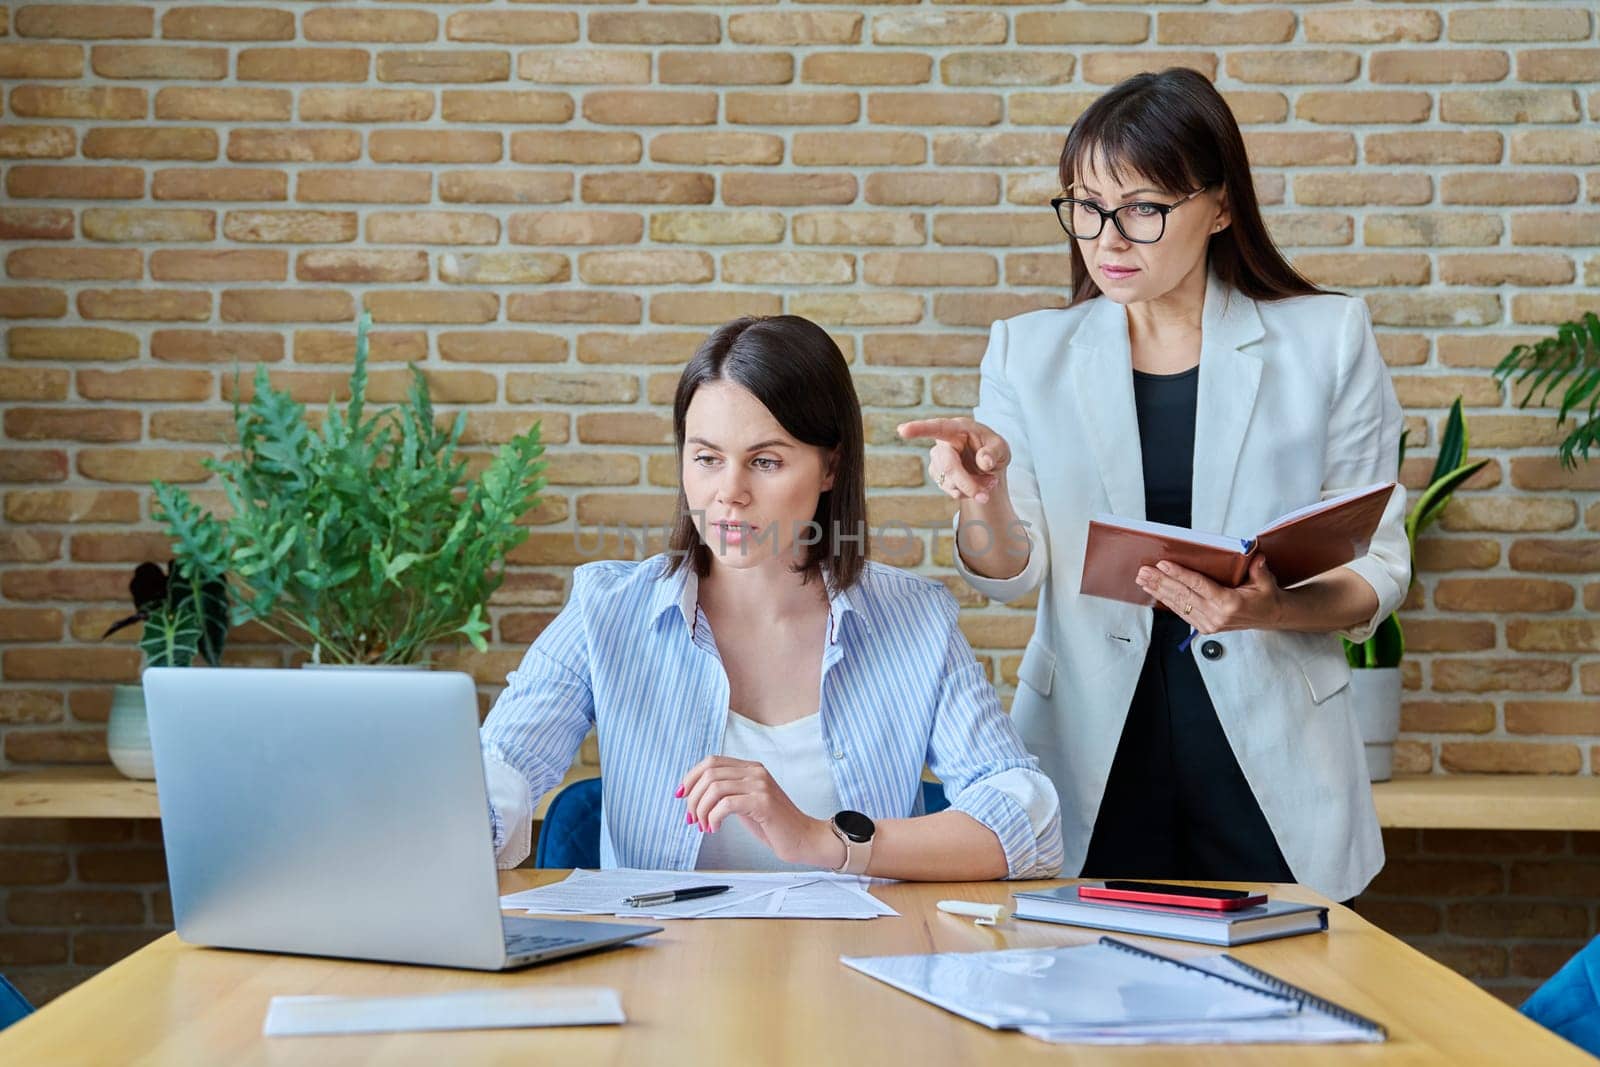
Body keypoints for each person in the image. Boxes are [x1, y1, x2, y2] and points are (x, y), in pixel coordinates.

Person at [899, 68, 1409, 904]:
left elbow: (1380, 568)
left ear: (1220, 206)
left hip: (1274, 762)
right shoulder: (1027, 354)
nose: (1107, 237)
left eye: (1142, 208)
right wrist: (984, 498)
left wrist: (1269, 607)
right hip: (1093, 752)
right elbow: (1010, 571)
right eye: (1086, 204)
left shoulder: (1327, 339)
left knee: (1283, 1018)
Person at [482, 315, 1062, 880]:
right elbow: (498, 769)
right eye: (706, 458)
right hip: (663, 969)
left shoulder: (913, 621)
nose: (729, 493)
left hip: (855, 964)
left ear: (830, 466)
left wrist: (820, 838)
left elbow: (1027, 818)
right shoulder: (607, 610)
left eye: (765, 461)